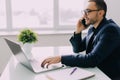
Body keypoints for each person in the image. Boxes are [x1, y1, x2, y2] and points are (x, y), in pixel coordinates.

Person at [41, 0, 120, 79]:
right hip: (96, 71)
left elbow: (92, 59)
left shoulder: (110, 30)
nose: (84, 16)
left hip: (108, 76)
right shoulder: (93, 28)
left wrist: (61, 58)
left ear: (100, 13)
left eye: (88, 11)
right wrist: (78, 31)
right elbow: (77, 49)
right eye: (84, 12)